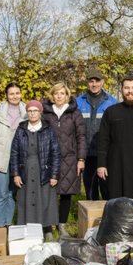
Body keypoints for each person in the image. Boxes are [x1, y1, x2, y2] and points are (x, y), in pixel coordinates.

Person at [10, 100, 62, 241]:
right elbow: (14, 153)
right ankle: (27, 229)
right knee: (27, 199)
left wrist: (54, 175)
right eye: (30, 111)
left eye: (35, 111)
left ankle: (47, 229)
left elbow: (55, 153)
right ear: (27, 113)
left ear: (40, 112)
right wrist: (15, 174)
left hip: (44, 168)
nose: (32, 113)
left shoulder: (48, 129)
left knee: (45, 198)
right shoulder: (21, 130)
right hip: (25, 168)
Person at [40, 82, 86, 236]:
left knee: (66, 193)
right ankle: (47, 227)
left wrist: (81, 159)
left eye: (62, 93)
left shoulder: (75, 113)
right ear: (52, 96)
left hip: (70, 158)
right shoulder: (45, 113)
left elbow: (81, 136)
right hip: (49, 158)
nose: (59, 96)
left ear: (67, 96)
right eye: (56, 93)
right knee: (48, 192)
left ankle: (62, 225)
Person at [0, 82, 28, 228]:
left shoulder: (27, 113)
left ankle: (9, 224)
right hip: (0, 159)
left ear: (21, 94)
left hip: (18, 160)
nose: (15, 96)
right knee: (1, 193)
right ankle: (0, 225)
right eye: (11, 94)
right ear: (6, 96)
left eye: (17, 93)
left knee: (12, 193)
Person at [75, 69, 118, 200]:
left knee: (107, 187)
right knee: (90, 187)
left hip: (105, 153)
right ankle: (92, 216)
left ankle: (107, 215)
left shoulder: (112, 102)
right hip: (86, 152)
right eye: (91, 81)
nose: (94, 84)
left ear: (102, 82)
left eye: (97, 81)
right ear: (87, 83)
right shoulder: (78, 102)